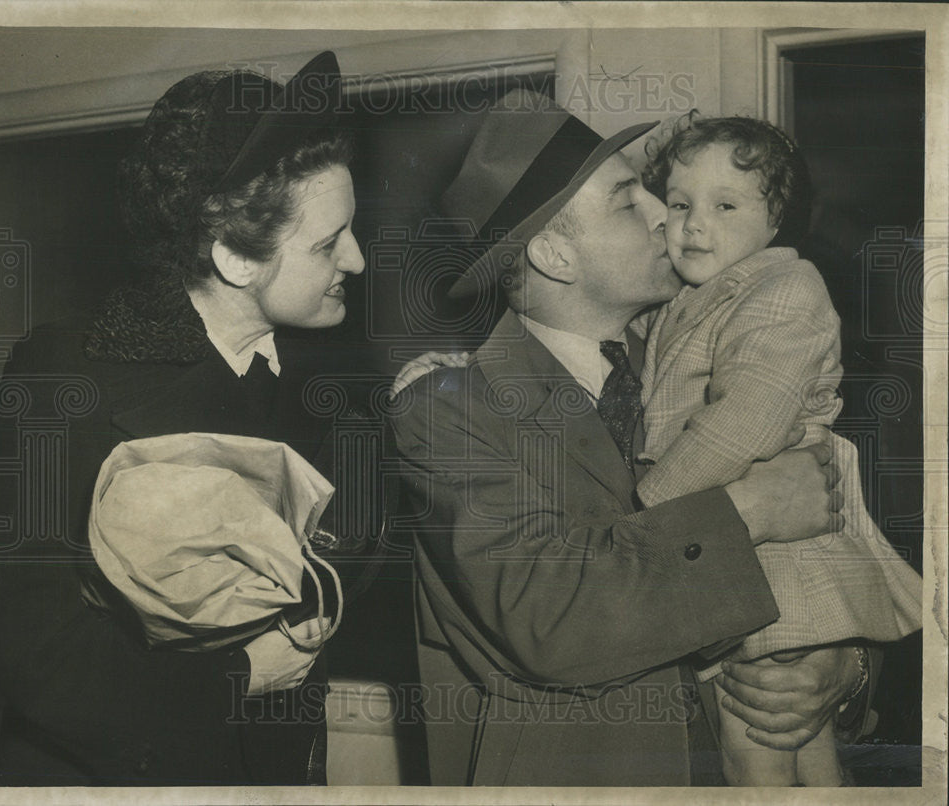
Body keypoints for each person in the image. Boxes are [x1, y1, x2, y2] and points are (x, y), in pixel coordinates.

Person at [387, 89, 868, 787]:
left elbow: (836, 550)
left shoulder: (712, 365)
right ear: (553, 252)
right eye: (627, 201)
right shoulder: (450, 409)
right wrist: (749, 510)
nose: (663, 214)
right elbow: (550, 617)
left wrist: (840, 668)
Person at [0, 51, 380, 785]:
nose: (358, 259)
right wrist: (242, 675)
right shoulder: (63, 380)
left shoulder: (338, 380)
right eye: (327, 242)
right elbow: (27, 648)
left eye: (351, 229)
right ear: (234, 257)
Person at [633, 114, 921, 786]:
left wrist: (648, 504)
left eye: (725, 205)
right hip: (745, 540)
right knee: (807, 746)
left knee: (753, 736)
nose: (694, 225)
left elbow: (744, 425)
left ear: (777, 220)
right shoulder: (689, 298)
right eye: (680, 205)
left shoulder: (786, 291)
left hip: (778, 555)